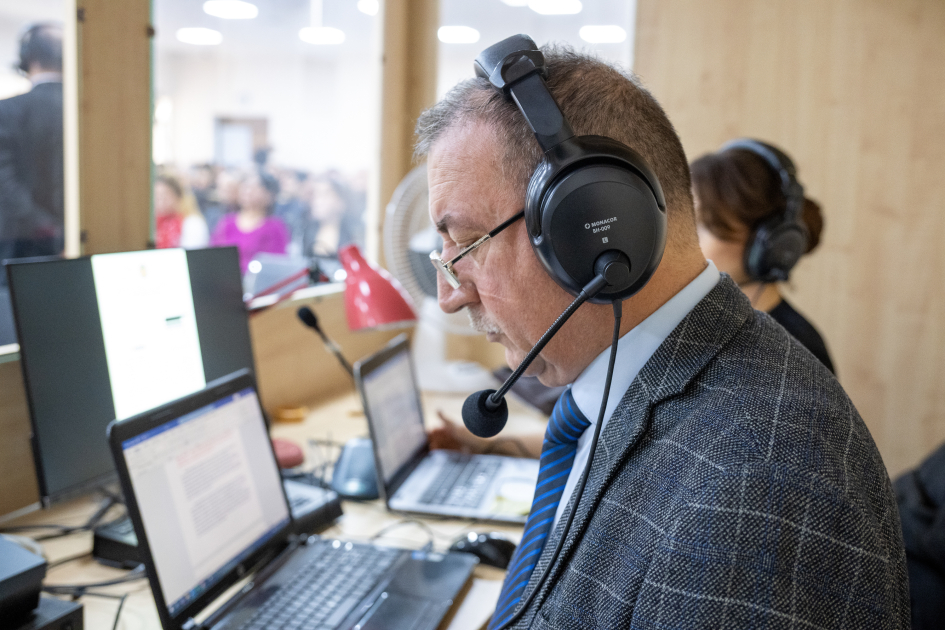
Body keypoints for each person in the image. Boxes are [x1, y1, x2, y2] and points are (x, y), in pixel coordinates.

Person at [416, 40, 908, 628]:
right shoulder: (637, 393)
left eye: (466, 245)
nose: (450, 295)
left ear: (591, 229)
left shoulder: (756, 485)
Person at [691, 141, 835, 372]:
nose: (683, 239)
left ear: (768, 242)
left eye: (703, 226)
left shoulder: (800, 353)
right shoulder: (693, 321)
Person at [0, 23, 64, 264]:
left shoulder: (6, 111)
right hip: (86, 243)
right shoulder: (92, 113)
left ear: (29, 59)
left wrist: (49, 229)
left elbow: (5, 185)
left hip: (21, 248)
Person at [210, 170, 289, 273]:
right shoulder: (227, 222)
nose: (247, 191)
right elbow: (213, 255)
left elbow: (275, 266)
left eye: (254, 187)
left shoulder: (274, 227)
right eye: (245, 186)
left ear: (269, 195)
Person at [154, 173, 209, 249]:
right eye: (157, 197)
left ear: (178, 196)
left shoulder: (192, 222)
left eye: (165, 196)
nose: (160, 202)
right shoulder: (152, 224)